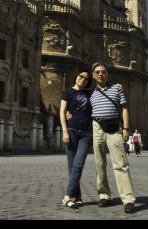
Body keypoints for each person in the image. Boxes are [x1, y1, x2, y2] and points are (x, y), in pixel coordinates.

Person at [90, 62, 136, 213]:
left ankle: (128, 199)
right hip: (97, 127)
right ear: (93, 75)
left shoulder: (117, 89)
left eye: (103, 71)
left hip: (114, 128)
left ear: (107, 74)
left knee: (121, 164)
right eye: (97, 72)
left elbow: (124, 108)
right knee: (99, 164)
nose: (100, 74)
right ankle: (104, 195)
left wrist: (126, 128)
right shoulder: (90, 93)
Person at [60, 68, 93, 209]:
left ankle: (67, 197)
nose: (83, 79)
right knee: (72, 166)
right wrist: (65, 132)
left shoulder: (89, 93)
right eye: (81, 76)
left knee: (78, 164)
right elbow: (62, 112)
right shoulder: (67, 92)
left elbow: (103, 90)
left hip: (85, 133)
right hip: (72, 131)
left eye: (86, 79)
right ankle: (77, 196)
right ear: (76, 77)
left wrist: (117, 86)